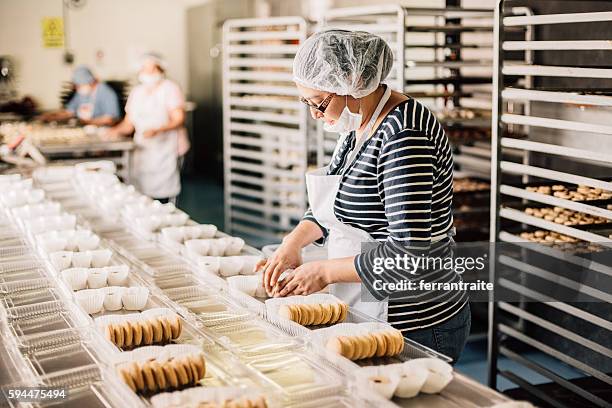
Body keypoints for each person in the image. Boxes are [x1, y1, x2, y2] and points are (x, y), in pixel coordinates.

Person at [258, 30, 470, 362]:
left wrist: (324, 272)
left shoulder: (404, 137)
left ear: (354, 83)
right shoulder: (360, 123)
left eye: (319, 103)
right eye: (307, 103)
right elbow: (337, 207)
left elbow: (407, 253)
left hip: (414, 322)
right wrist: (293, 242)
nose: (315, 114)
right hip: (369, 303)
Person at [106, 52, 188, 203]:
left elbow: (179, 119)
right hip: (142, 150)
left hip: (165, 150)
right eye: (144, 69)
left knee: (162, 194)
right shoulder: (137, 92)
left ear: (161, 70)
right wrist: (113, 131)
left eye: (151, 69)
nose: (147, 73)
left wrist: (158, 130)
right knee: (141, 194)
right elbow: (128, 124)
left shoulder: (170, 88)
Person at [39, 65, 120, 126]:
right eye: (77, 85)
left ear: (90, 81)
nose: (78, 88)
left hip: (104, 133)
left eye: (80, 85)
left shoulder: (106, 93)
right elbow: (69, 112)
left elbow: (110, 119)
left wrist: (88, 122)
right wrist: (51, 116)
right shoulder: (81, 93)